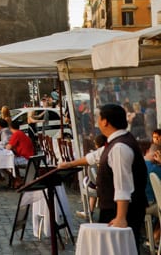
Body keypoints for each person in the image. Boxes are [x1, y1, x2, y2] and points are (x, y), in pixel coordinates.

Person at [59, 103, 149, 249]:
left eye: (98, 118)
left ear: (105, 121)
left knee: (118, 249)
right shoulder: (116, 142)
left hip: (120, 211)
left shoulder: (119, 147)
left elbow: (123, 186)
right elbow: (95, 156)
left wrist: (120, 217)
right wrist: (69, 164)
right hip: (113, 208)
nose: (97, 121)